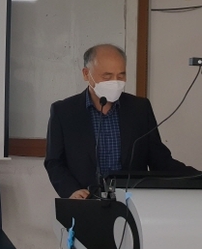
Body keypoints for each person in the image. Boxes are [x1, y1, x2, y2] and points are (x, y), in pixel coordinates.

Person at [44, 43, 196, 199]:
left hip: (132, 201)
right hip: (85, 201)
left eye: (121, 75)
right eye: (107, 76)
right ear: (86, 74)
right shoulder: (64, 111)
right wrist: (71, 191)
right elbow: (54, 162)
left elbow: (160, 159)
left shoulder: (140, 109)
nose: (115, 82)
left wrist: (196, 178)